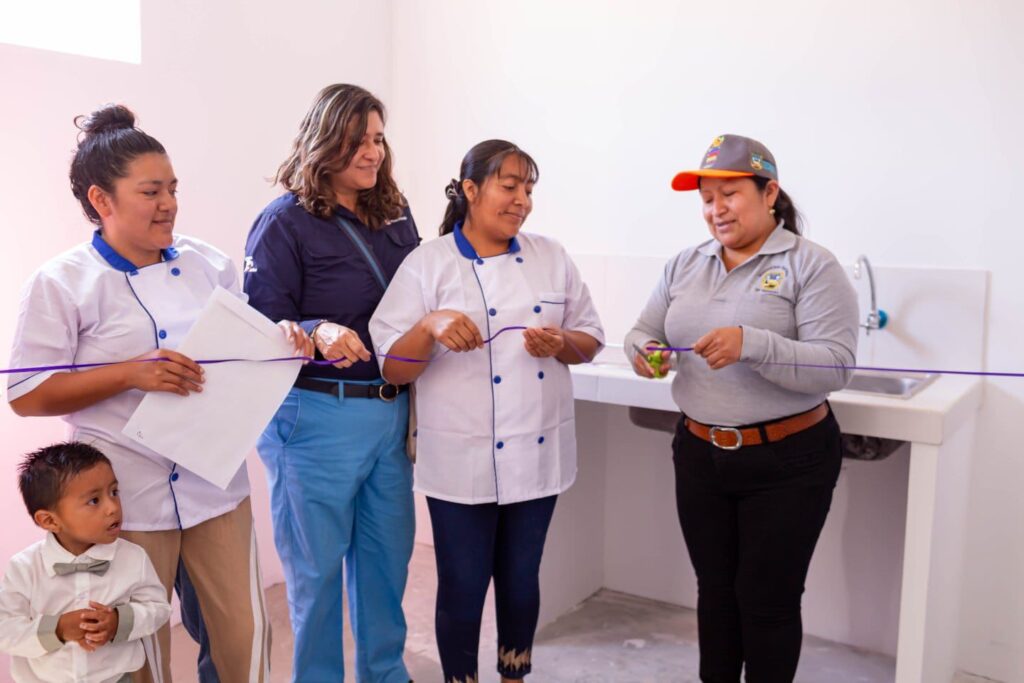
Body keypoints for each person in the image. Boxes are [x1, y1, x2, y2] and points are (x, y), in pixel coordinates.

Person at [6, 105, 307, 682]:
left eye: (172, 189)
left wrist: (285, 337)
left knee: (245, 637)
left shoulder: (207, 264)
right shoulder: (60, 282)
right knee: (138, 652)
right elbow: (27, 394)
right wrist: (129, 373)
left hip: (215, 484)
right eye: (151, 192)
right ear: (102, 199)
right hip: (125, 495)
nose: (168, 203)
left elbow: (242, 350)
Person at [625, 134, 859, 682]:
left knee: (768, 600)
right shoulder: (685, 264)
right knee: (715, 593)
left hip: (788, 461)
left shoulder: (812, 266)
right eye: (707, 199)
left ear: (769, 192)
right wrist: (646, 353)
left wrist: (751, 343)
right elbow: (641, 332)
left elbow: (836, 366)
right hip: (700, 455)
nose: (716, 210)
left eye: (729, 194)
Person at [369, 139, 605, 683]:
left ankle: (513, 676)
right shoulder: (428, 264)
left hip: (536, 453)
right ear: (471, 190)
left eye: (529, 189)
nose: (522, 200)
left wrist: (561, 343)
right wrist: (429, 326)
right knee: (462, 585)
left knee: (521, 579)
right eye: (510, 186)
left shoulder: (550, 257)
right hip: (461, 460)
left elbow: (590, 339)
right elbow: (393, 368)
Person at [244, 83, 419, 683]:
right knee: (315, 580)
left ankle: (385, 675)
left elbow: (419, 293)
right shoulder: (283, 222)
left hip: (390, 414)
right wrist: (316, 328)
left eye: (378, 139)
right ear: (323, 142)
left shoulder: (394, 212)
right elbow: (261, 322)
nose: (372, 153)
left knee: (386, 567)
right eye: (357, 141)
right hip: (315, 418)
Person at [0, 441, 170, 683]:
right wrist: (57, 629)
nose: (112, 508)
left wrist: (118, 622)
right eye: (94, 501)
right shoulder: (24, 567)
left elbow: (158, 608)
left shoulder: (133, 557)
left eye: (114, 492)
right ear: (49, 521)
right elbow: (5, 629)